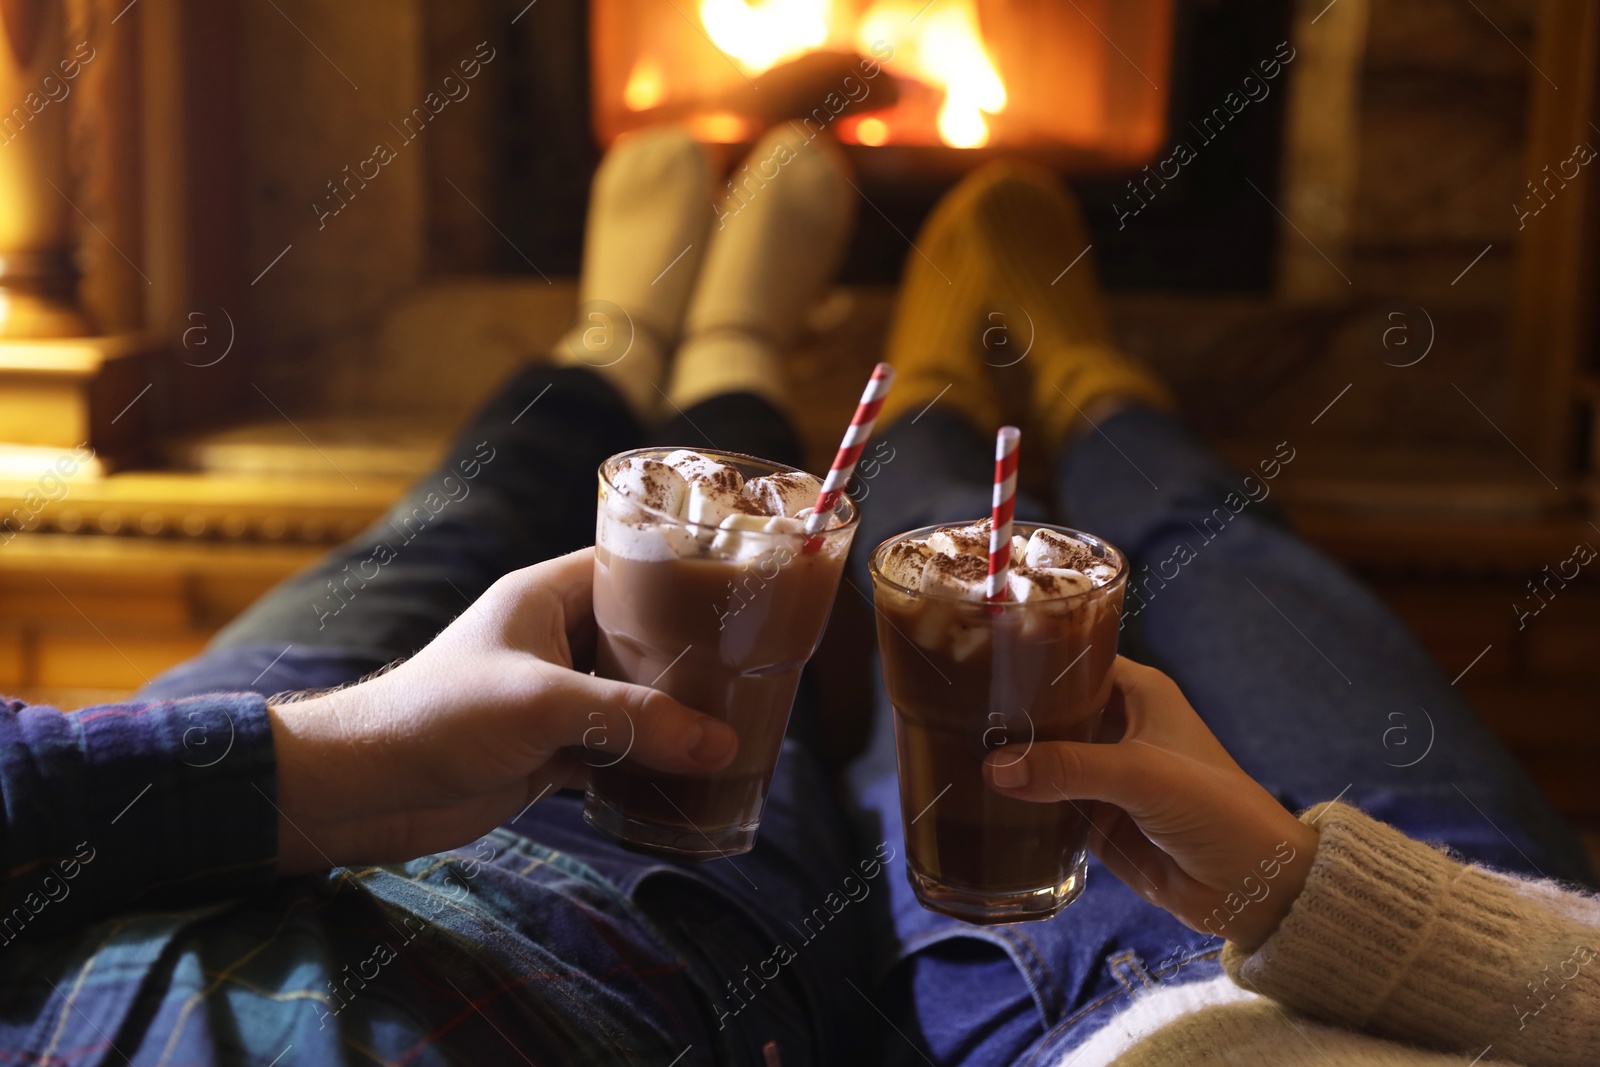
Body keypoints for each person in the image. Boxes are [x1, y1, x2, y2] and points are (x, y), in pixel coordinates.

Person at [0, 124, 1594, 1067]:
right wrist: (1318, 905)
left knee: (445, 539)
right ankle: (1074, 386)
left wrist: (315, 764)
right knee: (1196, 546)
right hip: (628, 938)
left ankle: (635, 347)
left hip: (152, 830)